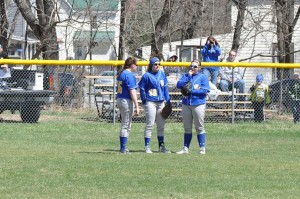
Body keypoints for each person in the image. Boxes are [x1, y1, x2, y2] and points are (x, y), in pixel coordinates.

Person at [176, 60, 210, 154]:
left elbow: (204, 91)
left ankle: (202, 147)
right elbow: (178, 85)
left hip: (198, 104)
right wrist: (188, 77)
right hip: (186, 103)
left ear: (199, 67)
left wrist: (192, 91)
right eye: (191, 66)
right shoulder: (186, 76)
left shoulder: (203, 77)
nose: (193, 68)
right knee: (187, 127)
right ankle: (185, 148)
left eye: (195, 66)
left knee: (199, 127)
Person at [138, 57, 171, 154]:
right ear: (151, 65)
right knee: (150, 124)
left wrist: (168, 101)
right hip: (151, 102)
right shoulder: (146, 76)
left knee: (161, 125)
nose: (157, 66)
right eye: (155, 64)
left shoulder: (162, 74)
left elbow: (165, 89)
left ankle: (161, 146)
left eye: (158, 64)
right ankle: (147, 146)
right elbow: (142, 89)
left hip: (161, 102)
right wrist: (144, 101)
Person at [116, 57, 140, 154]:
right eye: (136, 64)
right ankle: (123, 148)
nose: (137, 66)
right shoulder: (129, 75)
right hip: (126, 100)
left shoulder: (122, 73)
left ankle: (123, 148)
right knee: (126, 124)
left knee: (125, 124)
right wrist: (137, 105)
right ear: (132, 65)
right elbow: (132, 91)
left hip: (120, 99)